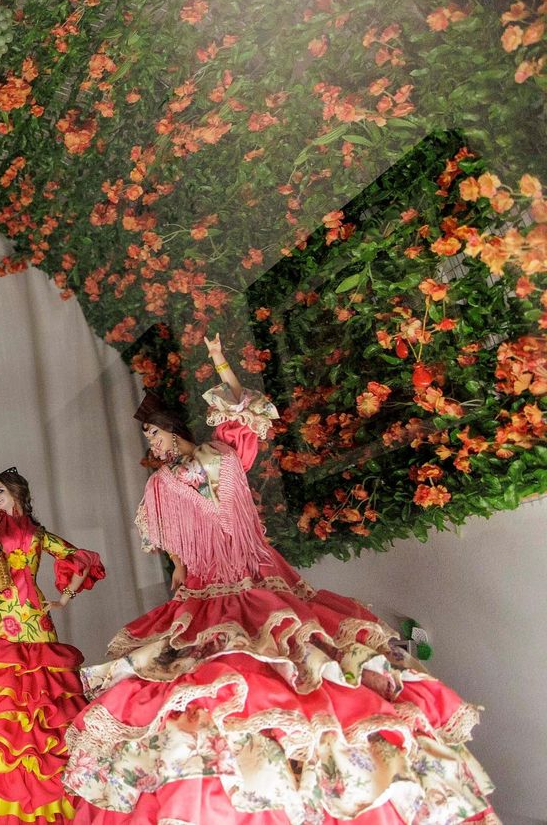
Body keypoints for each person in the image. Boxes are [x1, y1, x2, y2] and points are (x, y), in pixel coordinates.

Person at [62, 335, 498, 824]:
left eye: (154, 436)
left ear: (169, 429)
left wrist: (221, 362)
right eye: (148, 440)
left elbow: (242, 407)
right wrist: (181, 588)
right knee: (214, 680)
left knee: (295, 656)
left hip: (258, 575)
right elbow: (173, 550)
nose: (153, 445)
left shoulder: (223, 455)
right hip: (206, 590)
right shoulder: (161, 485)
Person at [0, 467, 106, 825]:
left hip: (36, 620)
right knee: (2, 710)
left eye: (1, 491)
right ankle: (4, 800)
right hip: (5, 622)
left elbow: (81, 559)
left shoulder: (39, 534)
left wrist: (65, 598)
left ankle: (49, 797)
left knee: (46, 702)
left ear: (18, 495)